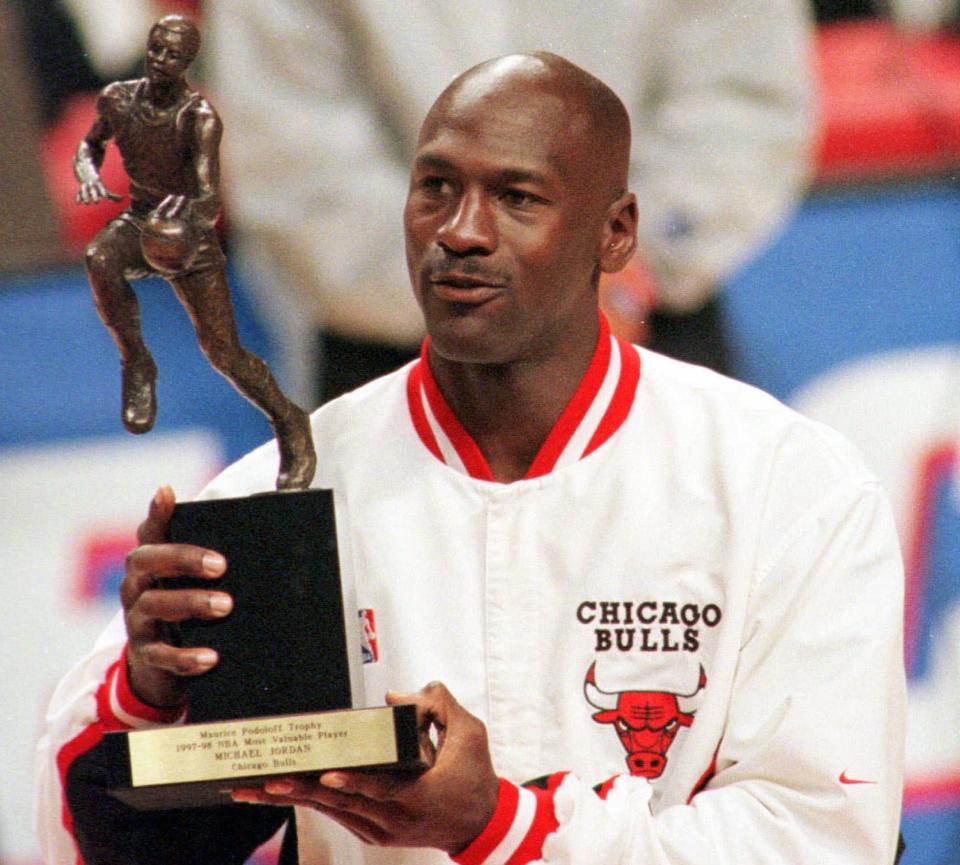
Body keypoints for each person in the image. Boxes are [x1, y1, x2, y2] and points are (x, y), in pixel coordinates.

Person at [37, 53, 905, 865]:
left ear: (616, 233)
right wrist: (148, 696)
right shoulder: (279, 494)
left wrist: (502, 825)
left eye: (517, 197)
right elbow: (81, 838)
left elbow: (825, 836)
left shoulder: (788, 487)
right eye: (436, 188)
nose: (460, 232)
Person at [204, 0, 814, 404]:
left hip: (646, 323)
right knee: (397, 600)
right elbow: (292, 160)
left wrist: (619, 267)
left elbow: (742, 108)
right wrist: (494, 290)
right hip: (396, 356)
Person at [74, 14, 315, 490]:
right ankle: (137, 362)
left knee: (224, 354)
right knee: (100, 257)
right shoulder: (118, 98)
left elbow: (209, 198)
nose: (161, 61)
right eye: (156, 49)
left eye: (173, 55)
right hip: (140, 217)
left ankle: (289, 420)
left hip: (188, 232)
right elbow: (89, 145)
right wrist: (90, 174)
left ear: (188, 62)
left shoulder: (199, 118)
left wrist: (183, 221)